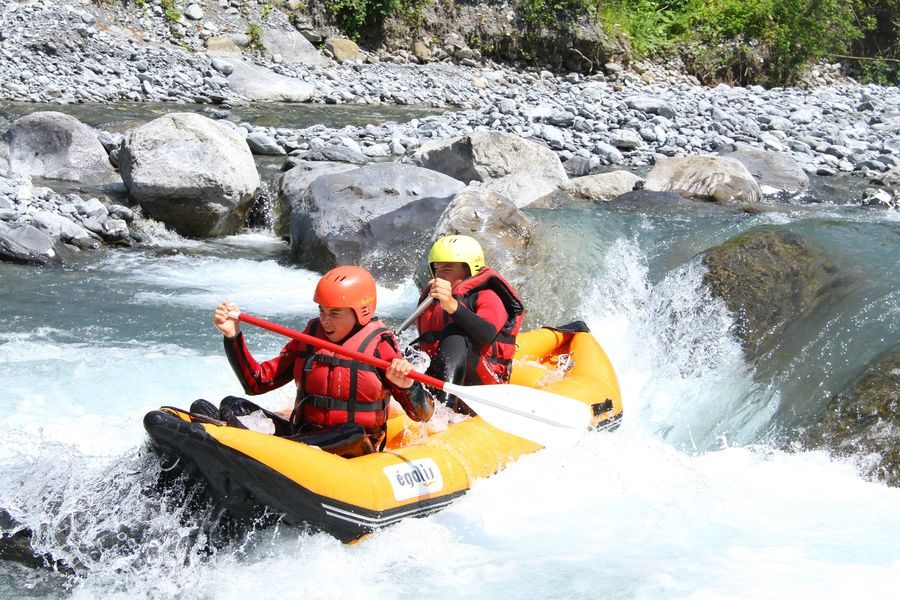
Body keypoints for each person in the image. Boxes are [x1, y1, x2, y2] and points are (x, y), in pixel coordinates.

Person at [200, 265, 434, 457]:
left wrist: (408, 386)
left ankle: (265, 447)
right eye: (322, 310)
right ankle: (251, 444)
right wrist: (233, 337)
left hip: (351, 450)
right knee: (232, 404)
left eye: (335, 313)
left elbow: (422, 415)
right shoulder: (310, 336)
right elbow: (257, 383)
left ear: (361, 312)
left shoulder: (381, 348)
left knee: (351, 432)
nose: (325, 321)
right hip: (302, 435)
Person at [413, 235, 524, 413]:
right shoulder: (430, 299)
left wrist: (452, 305)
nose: (440, 274)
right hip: (440, 375)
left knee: (454, 332)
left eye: (447, 269)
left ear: (469, 269)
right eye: (437, 268)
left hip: (484, 385)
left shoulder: (489, 295)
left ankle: (444, 410)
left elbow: (485, 333)